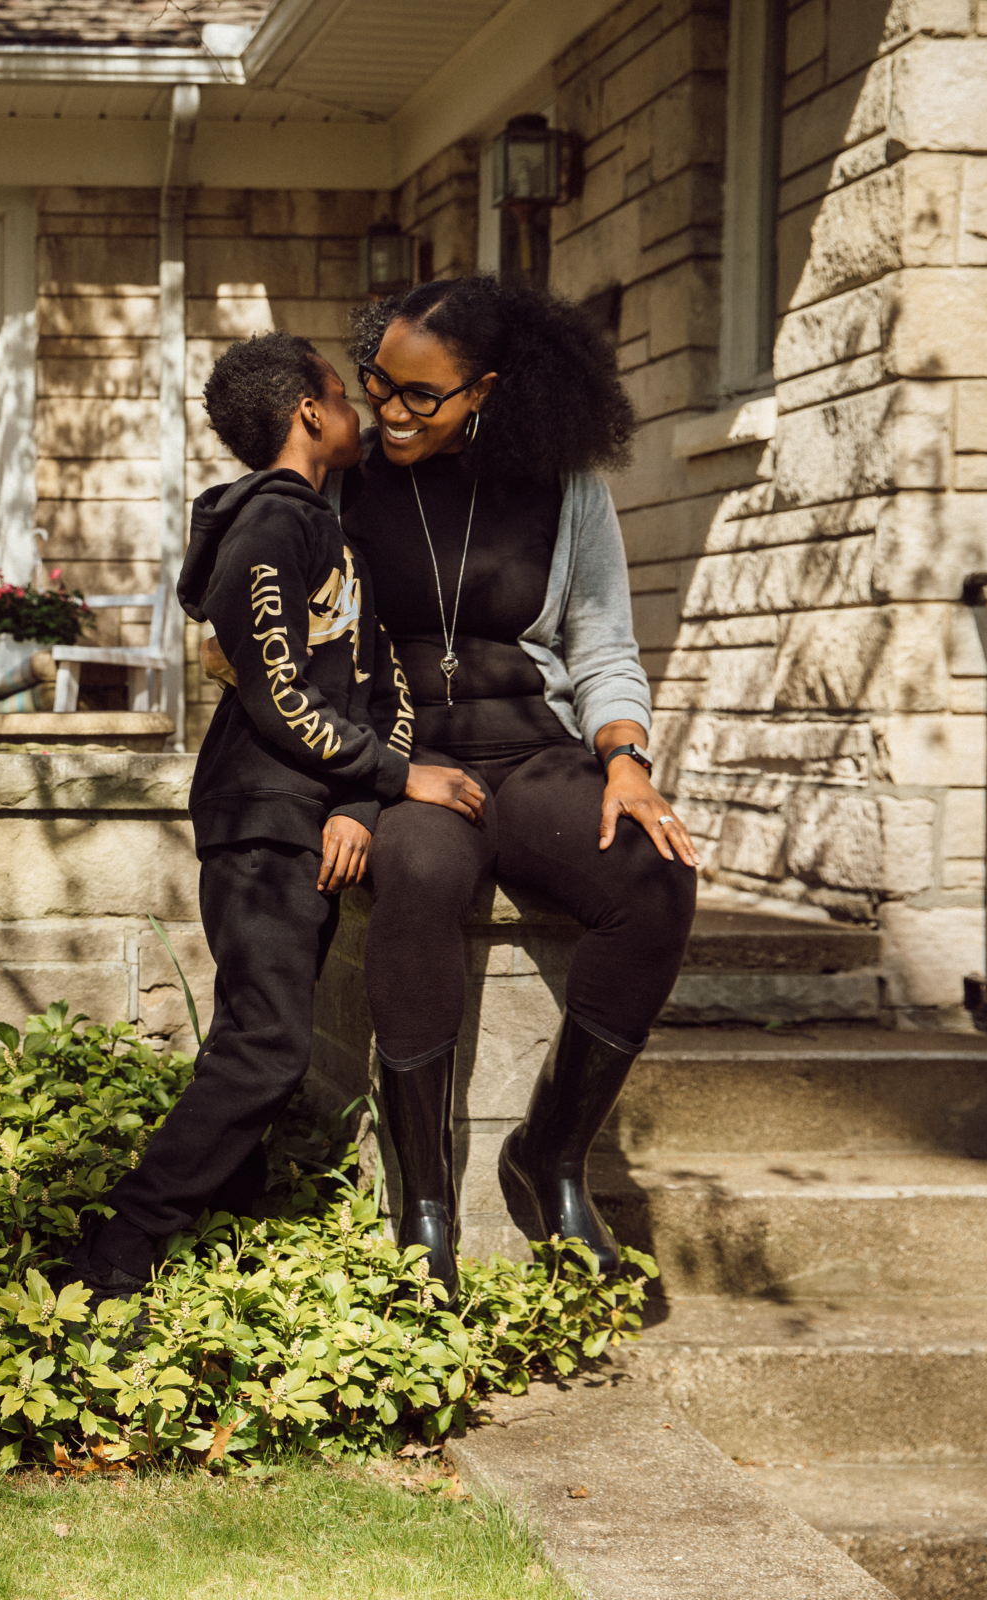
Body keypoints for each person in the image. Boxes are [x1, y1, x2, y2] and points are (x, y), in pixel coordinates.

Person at [54, 331, 466, 1303]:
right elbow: (281, 694)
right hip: (258, 820)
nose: (362, 408)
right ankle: (121, 1245)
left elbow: (379, 686)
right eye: (343, 390)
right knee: (269, 1042)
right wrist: (400, 782)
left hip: (311, 819)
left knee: (255, 1033)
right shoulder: (268, 530)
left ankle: (228, 1231)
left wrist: (363, 797)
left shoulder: (333, 535)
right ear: (308, 413)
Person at [342, 276, 698, 1291]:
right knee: (414, 875)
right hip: (409, 760)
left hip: (533, 748)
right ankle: (424, 1206)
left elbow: (602, 644)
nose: (393, 412)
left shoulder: (563, 484)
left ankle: (551, 1152)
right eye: (380, 384)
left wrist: (626, 762)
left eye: (423, 395)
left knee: (656, 874)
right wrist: (368, 776)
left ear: (486, 389)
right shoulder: (346, 481)